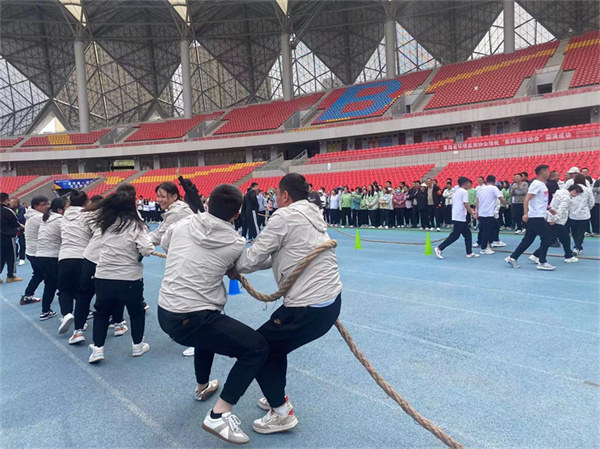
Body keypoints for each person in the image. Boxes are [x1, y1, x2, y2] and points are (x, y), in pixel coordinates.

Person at [158, 184, 269, 445]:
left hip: (166, 312)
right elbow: (244, 264)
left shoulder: (183, 224)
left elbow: (165, 243)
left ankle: (202, 387)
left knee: (207, 335)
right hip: (194, 318)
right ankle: (219, 414)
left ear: (208, 204)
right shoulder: (235, 243)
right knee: (257, 348)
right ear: (236, 214)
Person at [233, 173, 342, 436]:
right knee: (274, 346)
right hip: (329, 303)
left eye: (276, 194)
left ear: (285, 195)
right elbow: (281, 255)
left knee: (258, 348)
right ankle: (277, 396)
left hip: (306, 307)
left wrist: (226, 262)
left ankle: (281, 414)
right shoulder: (314, 214)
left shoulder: (284, 216)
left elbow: (253, 257)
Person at [87, 187, 154, 363]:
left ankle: (98, 349)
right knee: (136, 311)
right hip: (129, 276)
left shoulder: (104, 224)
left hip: (104, 275)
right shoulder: (136, 225)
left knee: (101, 312)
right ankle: (137, 345)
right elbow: (146, 249)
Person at [505, 165, 555, 271]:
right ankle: (542, 261)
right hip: (536, 216)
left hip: (539, 215)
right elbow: (527, 199)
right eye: (547, 171)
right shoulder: (536, 184)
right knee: (548, 238)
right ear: (543, 172)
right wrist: (525, 213)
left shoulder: (542, 184)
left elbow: (539, 200)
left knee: (528, 239)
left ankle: (513, 257)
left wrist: (549, 208)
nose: (549, 173)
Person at [57, 190, 92, 335]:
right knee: (82, 292)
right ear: (86, 202)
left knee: (64, 289)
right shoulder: (87, 216)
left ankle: (66, 314)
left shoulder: (64, 217)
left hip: (64, 256)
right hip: (82, 256)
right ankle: (80, 324)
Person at [531, 185, 581, 264]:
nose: (576, 195)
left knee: (564, 238)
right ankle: (536, 255)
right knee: (551, 239)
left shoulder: (559, 193)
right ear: (573, 191)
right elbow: (561, 209)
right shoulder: (566, 198)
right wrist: (555, 219)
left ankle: (568, 255)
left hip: (552, 218)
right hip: (558, 221)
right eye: (577, 193)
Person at [36, 197, 67, 320]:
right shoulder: (59, 220)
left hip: (42, 255)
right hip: (52, 255)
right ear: (59, 210)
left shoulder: (47, 219)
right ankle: (67, 313)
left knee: (50, 284)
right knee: (64, 284)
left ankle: (45, 310)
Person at [435, 177, 479, 259]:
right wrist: (472, 213)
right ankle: (440, 248)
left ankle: (469, 252)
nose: (469, 185)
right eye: (468, 183)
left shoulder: (457, 191)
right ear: (465, 183)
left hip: (458, 216)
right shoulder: (464, 192)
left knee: (467, 234)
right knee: (455, 235)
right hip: (460, 217)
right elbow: (466, 204)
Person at [20, 196, 50, 305]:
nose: (46, 206)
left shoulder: (32, 216)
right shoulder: (38, 217)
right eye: (43, 204)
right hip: (38, 252)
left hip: (32, 251)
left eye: (47, 204)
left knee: (39, 274)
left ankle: (27, 295)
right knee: (50, 275)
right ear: (36, 206)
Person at [149, 182, 194, 247]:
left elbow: (158, 237)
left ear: (174, 196)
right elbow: (159, 231)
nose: (159, 200)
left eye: (163, 197)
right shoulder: (179, 208)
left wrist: (140, 242)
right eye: (158, 196)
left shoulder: (176, 213)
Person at [476, 175, 507, 255]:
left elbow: (477, 200)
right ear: (494, 181)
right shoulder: (494, 188)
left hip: (481, 212)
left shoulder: (481, 188)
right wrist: (506, 204)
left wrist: (477, 210)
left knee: (483, 230)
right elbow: (500, 197)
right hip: (488, 213)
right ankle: (484, 248)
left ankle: (484, 245)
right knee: (487, 231)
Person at [568, 174, 594, 255]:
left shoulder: (571, 188)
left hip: (572, 214)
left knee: (574, 232)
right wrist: (588, 208)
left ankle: (577, 246)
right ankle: (578, 247)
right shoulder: (587, 190)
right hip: (584, 214)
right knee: (581, 232)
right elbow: (591, 201)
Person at [0, 192, 23, 284]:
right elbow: (15, 223)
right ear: (6, 200)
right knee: (11, 256)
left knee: (1, 256)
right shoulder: (8, 211)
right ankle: (11, 276)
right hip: (7, 236)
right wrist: (20, 227)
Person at [11, 197, 26, 265]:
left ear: (16, 203)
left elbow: (21, 218)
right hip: (13, 228)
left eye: (12, 202)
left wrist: (19, 224)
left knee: (22, 243)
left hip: (21, 228)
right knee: (14, 243)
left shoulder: (21, 208)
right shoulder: (10, 208)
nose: (10, 204)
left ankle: (22, 258)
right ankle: (15, 255)